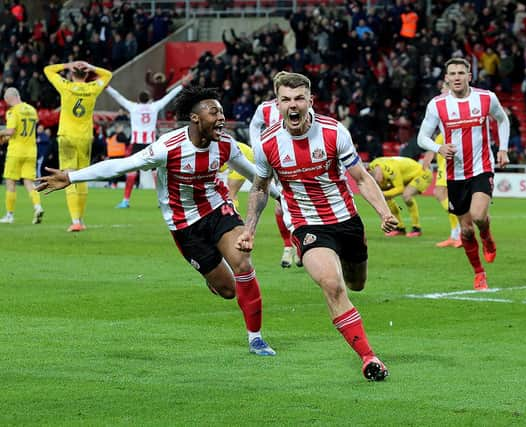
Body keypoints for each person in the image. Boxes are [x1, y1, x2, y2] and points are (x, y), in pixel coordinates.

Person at [36, 86, 278, 356]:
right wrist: (72, 177)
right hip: (184, 225)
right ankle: (214, 276)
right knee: (228, 291)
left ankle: (255, 338)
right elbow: (120, 165)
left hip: (218, 210)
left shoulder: (225, 144)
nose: (221, 117)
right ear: (195, 118)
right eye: (214, 112)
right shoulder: (168, 148)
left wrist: (286, 199)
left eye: (221, 111)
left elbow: (257, 178)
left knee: (243, 262)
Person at [236, 72, 397, 381]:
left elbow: (361, 178)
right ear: (277, 103)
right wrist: (249, 229)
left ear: (310, 101)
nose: (292, 106)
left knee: (356, 284)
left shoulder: (335, 132)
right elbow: (259, 188)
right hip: (307, 224)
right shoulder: (268, 143)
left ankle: (354, 324)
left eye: (299, 99)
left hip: (346, 220)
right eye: (286, 100)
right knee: (331, 284)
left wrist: (383, 212)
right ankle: (368, 357)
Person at [417, 57, 510, 291]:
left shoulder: (486, 98)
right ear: (446, 78)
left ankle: (487, 235)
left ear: (469, 76)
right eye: (452, 73)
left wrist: (504, 148)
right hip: (455, 174)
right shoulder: (437, 105)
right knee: (466, 230)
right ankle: (479, 274)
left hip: (481, 167)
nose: (456, 77)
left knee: (479, 216)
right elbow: (422, 137)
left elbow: (503, 119)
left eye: (461, 73)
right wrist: (439, 148)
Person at [106, 71, 193, 208]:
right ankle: (162, 201)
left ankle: (126, 200)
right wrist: (182, 84)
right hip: (151, 144)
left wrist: (107, 87)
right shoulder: (154, 106)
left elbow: (119, 97)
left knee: (131, 173)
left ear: (139, 99)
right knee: (156, 173)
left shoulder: (133, 107)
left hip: (137, 144)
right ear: (149, 99)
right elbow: (169, 96)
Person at [44, 60, 112, 232]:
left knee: (68, 175)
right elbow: (108, 75)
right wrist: (92, 67)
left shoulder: (65, 85)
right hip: (85, 138)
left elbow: (48, 70)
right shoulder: (93, 88)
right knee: (82, 177)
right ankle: (80, 220)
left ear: (72, 74)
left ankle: (75, 221)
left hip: (67, 137)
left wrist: (67, 65)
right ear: (87, 74)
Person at [248, 71, 303, 268]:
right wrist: (257, 147)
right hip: (274, 160)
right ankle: (289, 246)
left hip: (298, 159)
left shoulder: (298, 105)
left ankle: (299, 244)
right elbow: (254, 126)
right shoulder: (265, 108)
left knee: (298, 202)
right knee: (281, 204)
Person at [0, 87, 44, 224]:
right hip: (31, 151)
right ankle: (38, 207)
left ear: (8, 99)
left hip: (16, 151)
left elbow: (11, 131)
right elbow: (24, 132)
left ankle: (9, 215)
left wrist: (1, 133)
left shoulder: (13, 112)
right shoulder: (32, 110)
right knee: (29, 182)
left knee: (10, 181)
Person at [367, 155, 432, 237]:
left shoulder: (390, 170)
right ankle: (399, 228)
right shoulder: (372, 167)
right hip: (405, 176)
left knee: (406, 196)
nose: (380, 182)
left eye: (380, 181)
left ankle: (416, 228)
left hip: (422, 174)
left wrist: (383, 194)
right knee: (387, 198)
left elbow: (400, 188)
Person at [420, 134, 462, 248]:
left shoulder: (449, 126)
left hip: (448, 164)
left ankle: (461, 231)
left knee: (440, 193)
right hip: (443, 165)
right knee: (447, 197)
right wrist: (429, 154)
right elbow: (435, 145)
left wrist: (429, 155)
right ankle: (455, 235)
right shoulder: (441, 131)